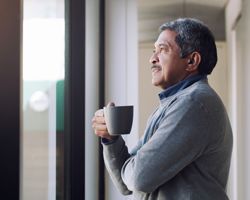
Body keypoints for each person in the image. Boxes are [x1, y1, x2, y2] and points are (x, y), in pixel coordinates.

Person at [92, 18, 233, 200]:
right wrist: (110, 139)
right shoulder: (172, 104)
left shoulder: (194, 103)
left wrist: (133, 167)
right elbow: (125, 183)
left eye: (163, 50)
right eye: (154, 51)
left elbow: (138, 179)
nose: (152, 58)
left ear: (191, 60)